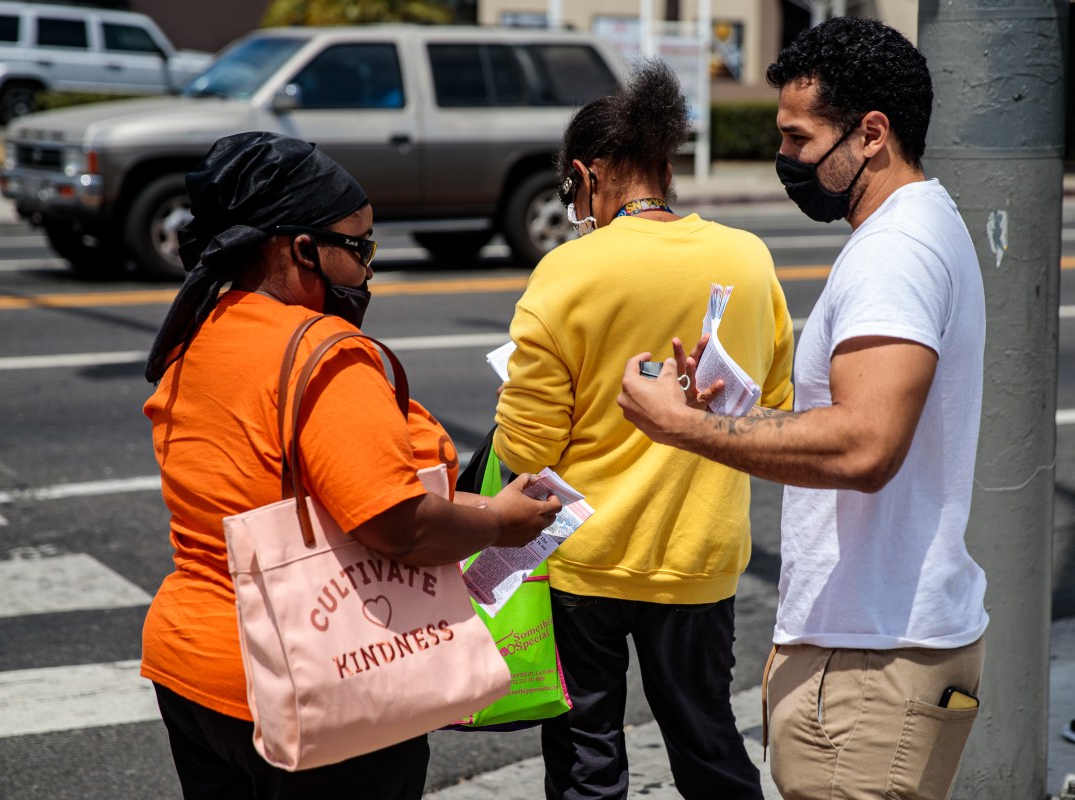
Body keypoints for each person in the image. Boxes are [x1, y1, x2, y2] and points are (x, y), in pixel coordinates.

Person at [617, 17, 988, 800]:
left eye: (797, 138)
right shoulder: (923, 224)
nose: (784, 158)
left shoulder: (895, 251)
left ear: (872, 134)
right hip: (870, 644)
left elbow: (864, 445)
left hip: (872, 661)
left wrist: (682, 424)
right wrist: (738, 412)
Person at [140, 131, 562, 800]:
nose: (368, 269)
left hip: (192, 669)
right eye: (358, 247)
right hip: (308, 677)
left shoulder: (201, 333)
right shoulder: (323, 353)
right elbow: (396, 525)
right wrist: (501, 523)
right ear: (298, 248)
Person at [492, 60, 795, 800]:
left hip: (584, 562)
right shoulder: (748, 260)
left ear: (587, 175)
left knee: (587, 757)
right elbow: (776, 411)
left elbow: (524, 450)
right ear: (667, 163)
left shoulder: (565, 273)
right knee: (708, 743)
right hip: (701, 555)